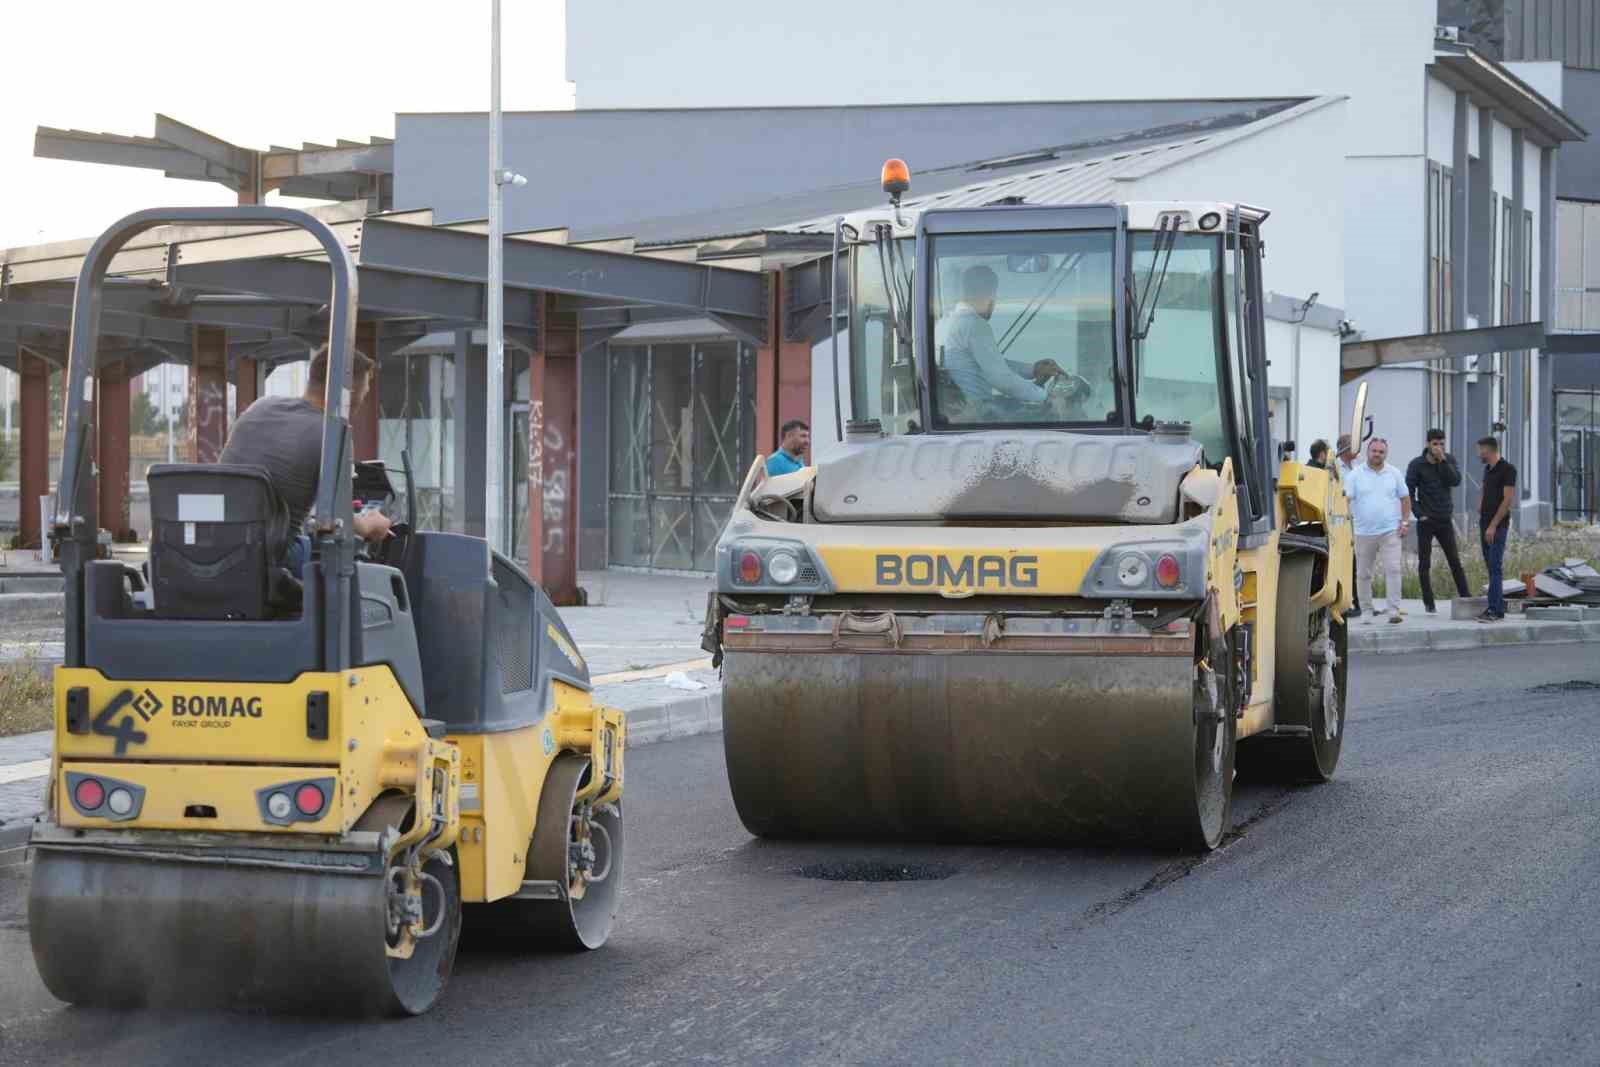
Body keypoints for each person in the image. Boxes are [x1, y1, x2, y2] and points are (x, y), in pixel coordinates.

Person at [219, 345, 391, 570]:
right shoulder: (332, 434)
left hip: (218, 546)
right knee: (316, 553)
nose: (365, 396)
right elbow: (338, 520)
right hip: (271, 560)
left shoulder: (260, 406)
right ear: (350, 392)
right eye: (365, 391)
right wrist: (370, 525)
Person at [936, 265, 1062, 413]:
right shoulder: (973, 324)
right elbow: (1001, 378)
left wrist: (1033, 369)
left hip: (959, 408)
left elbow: (990, 362)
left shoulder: (945, 322)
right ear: (989, 295)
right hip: (977, 412)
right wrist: (1046, 396)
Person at [1345, 437, 1411, 624]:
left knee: (1394, 569)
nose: (1377, 454)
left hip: (1390, 530)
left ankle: (1393, 611)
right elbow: (1345, 501)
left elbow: (1405, 498)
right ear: (1368, 452)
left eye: (1381, 452)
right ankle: (1366, 610)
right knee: (1363, 573)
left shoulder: (1394, 473)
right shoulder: (1355, 475)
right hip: (1363, 532)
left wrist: (1405, 523)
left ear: (1386, 453)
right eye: (1374, 451)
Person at [1404, 429, 1469, 615]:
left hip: (1444, 518)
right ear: (1427, 444)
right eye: (1435, 444)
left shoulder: (1448, 460)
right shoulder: (1417, 464)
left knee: (1454, 560)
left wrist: (1443, 461)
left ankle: (1465, 596)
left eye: (1441, 444)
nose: (1438, 447)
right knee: (1424, 562)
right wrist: (1418, 513)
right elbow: (1408, 491)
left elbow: (1455, 480)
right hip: (1426, 520)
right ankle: (1428, 602)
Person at [1475, 435, 1518, 623]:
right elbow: (1484, 488)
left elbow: (1507, 500)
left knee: (1495, 567)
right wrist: (1480, 504)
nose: (1479, 454)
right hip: (1484, 522)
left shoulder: (1508, 469)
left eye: (1480, 450)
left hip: (1497, 525)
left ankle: (1494, 610)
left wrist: (1493, 525)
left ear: (1489, 450)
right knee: (1490, 566)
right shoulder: (1487, 469)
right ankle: (1497, 609)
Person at [1335, 433, 1360, 614]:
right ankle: (1346, 602)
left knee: (1357, 562)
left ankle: (1357, 601)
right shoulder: (1335, 467)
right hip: (1341, 521)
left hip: (1358, 521)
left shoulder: (1357, 467)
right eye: (1354, 445)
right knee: (1345, 561)